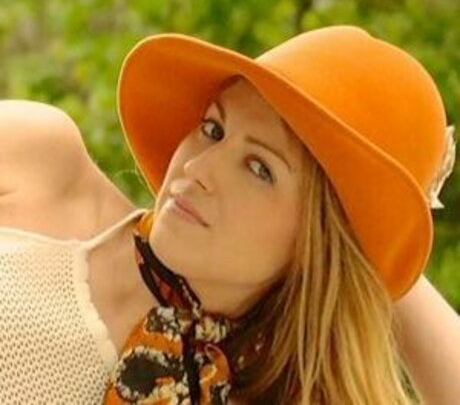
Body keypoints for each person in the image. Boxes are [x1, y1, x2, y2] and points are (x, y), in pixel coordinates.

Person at [0, 25, 459, 404]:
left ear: (317, 244)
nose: (199, 169)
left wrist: (384, 237)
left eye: (259, 168)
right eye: (213, 129)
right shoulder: (43, 166)